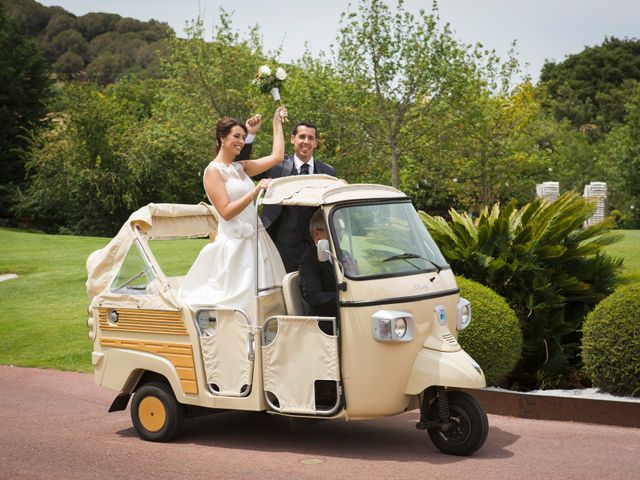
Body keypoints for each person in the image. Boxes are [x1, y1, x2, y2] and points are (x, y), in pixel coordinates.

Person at [179, 107, 288, 319]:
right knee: (240, 299)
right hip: (235, 244)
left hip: (258, 240)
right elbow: (226, 212)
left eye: (243, 137)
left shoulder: (240, 167)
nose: (240, 141)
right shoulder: (213, 171)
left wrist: (276, 121)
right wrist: (255, 191)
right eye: (236, 136)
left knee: (267, 297)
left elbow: (277, 156)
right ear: (222, 137)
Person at [251, 122, 337, 272]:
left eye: (311, 138)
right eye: (302, 136)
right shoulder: (276, 166)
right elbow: (244, 168)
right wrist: (249, 136)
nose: (306, 141)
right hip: (280, 242)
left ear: (315, 143)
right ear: (292, 139)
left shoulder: (328, 172)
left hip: (316, 244)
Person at [298, 208, 338, 318]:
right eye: (334, 231)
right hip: (327, 321)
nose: (340, 236)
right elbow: (314, 297)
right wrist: (344, 296)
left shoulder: (342, 253)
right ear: (316, 234)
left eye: (341, 231)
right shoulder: (308, 260)